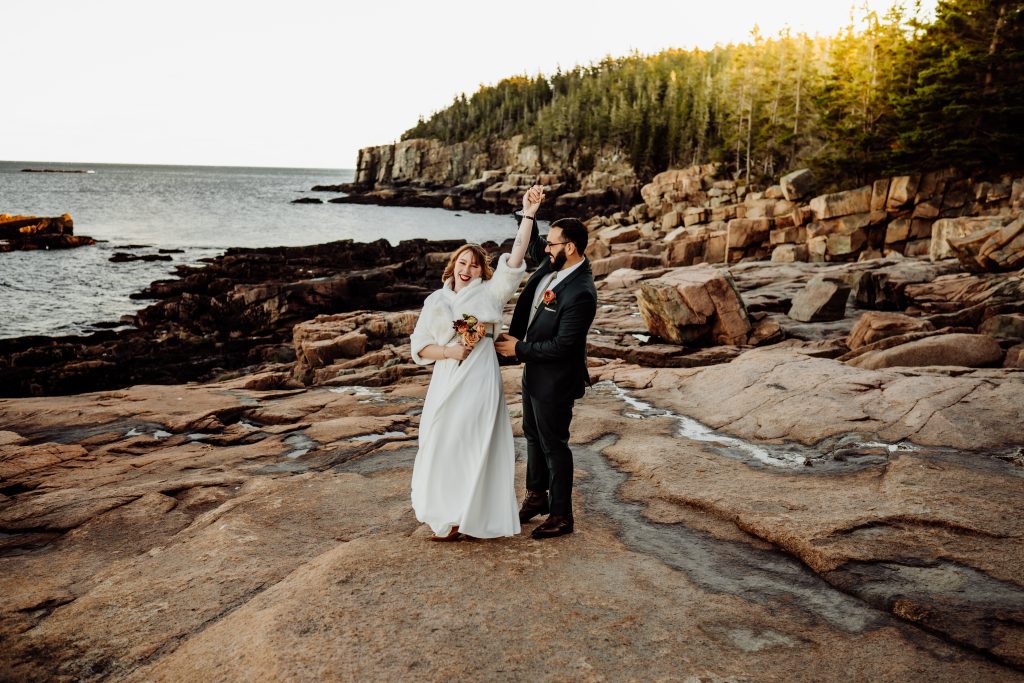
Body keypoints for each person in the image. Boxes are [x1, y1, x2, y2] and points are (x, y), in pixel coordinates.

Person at [408, 186, 544, 541]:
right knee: (441, 441)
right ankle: (449, 515)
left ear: (483, 270)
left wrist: (528, 214)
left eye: (474, 264)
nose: (467, 269)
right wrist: (450, 352)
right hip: (446, 376)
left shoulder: (490, 292)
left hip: (480, 376)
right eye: (462, 263)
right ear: (453, 266)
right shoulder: (435, 300)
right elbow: (419, 346)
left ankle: (469, 519)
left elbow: (514, 259)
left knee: (472, 442)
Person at [495, 191, 597, 539]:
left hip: (556, 377)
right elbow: (534, 246)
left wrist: (519, 348)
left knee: (555, 444)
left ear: (570, 247)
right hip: (534, 372)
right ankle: (536, 496)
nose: (546, 248)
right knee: (533, 435)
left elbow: (565, 346)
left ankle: (561, 515)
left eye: (553, 243)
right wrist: (529, 213)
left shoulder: (581, 291)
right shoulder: (555, 263)